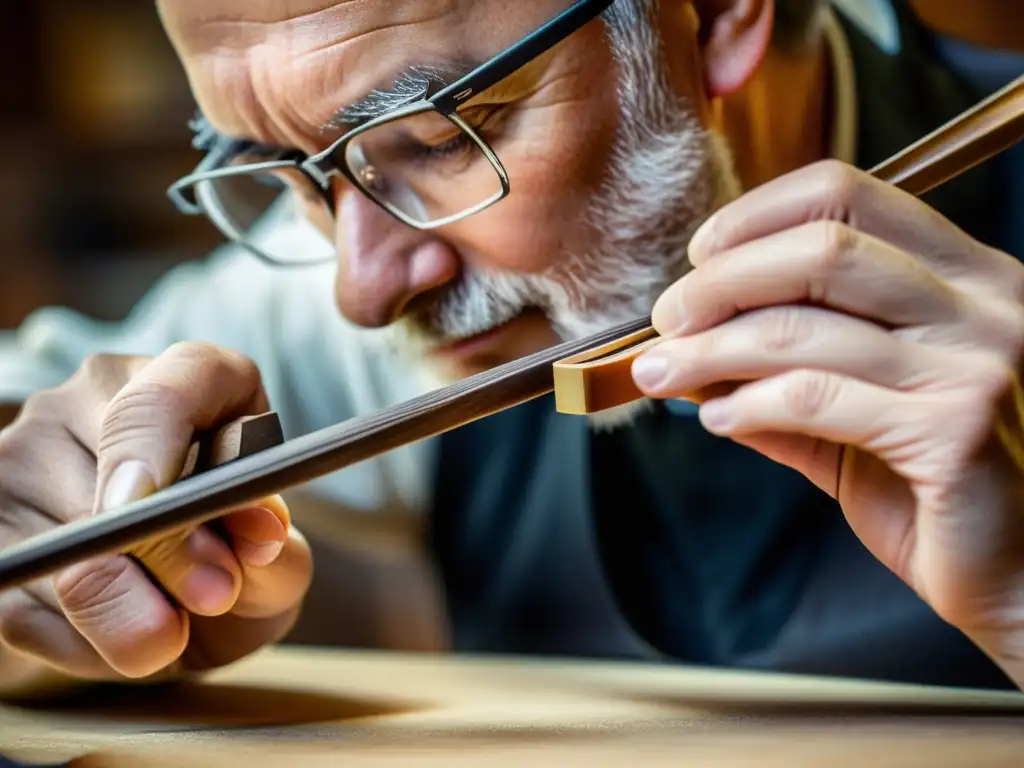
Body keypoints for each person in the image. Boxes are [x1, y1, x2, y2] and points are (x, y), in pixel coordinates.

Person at [0, 0, 1022, 699]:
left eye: (443, 135)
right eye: (279, 170)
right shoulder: (367, 247)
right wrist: (56, 542)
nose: (361, 290)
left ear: (710, 15)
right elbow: (30, 415)